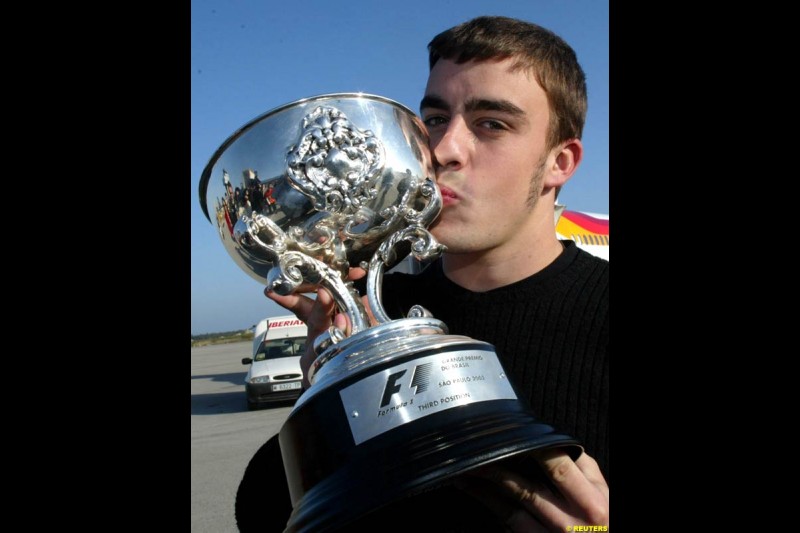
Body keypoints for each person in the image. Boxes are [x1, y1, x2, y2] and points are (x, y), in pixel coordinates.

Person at [236, 15, 608, 532]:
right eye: (434, 118)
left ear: (559, 163)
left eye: (491, 124)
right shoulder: (374, 308)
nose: (443, 150)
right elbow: (272, 513)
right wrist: (327, 386)